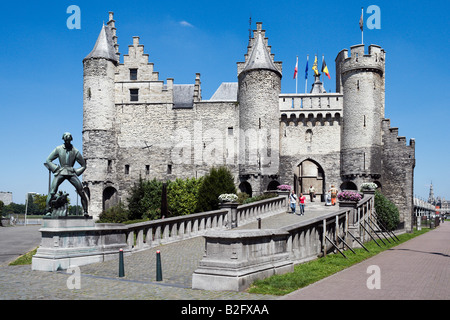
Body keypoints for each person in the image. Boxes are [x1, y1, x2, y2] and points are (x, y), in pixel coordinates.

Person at [45, 132, 89, 216]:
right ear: (64, 139)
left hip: (71, 172)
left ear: (71, 140)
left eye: (69, 140)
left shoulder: (75, 151)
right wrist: (56, 169)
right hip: (61, 171)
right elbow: (48, 160)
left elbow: (83, 165)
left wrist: (76, 171)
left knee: (81, 191)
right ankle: (48, 210)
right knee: (52, 192)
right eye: (66, 140)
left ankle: (86, 211)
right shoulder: (58, 149)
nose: (67, 142)